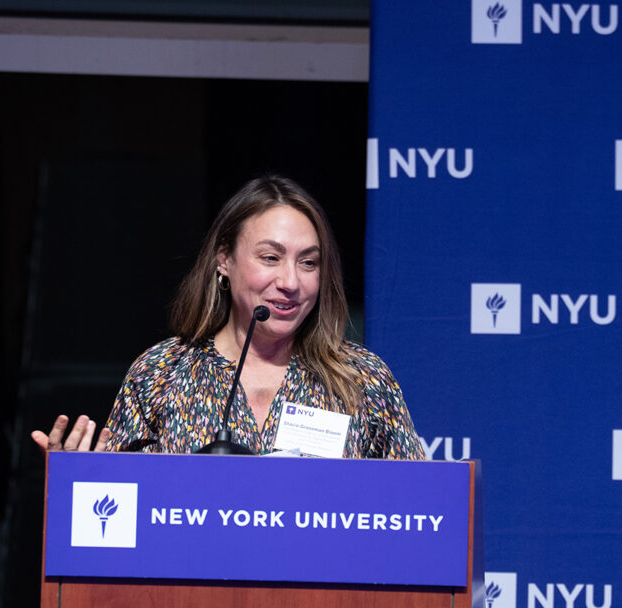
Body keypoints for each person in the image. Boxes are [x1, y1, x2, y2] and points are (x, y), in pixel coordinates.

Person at [31, 175, 424, 460]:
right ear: (224, 259)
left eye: (308, 263)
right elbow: (120, 511)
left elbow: (416, 507)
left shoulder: (362, 380)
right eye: (270, 257)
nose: (290, 282)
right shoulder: (161, 373)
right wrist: (77, 479)